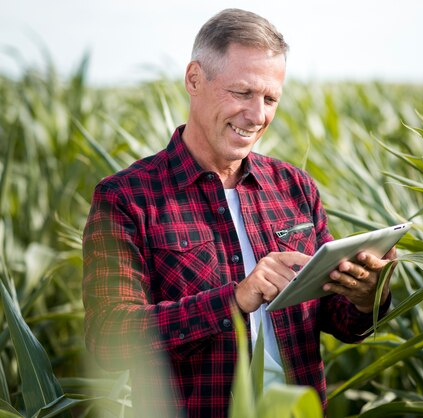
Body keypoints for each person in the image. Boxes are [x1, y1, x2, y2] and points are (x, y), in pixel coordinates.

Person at [82, 8, 394, 417]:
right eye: (242, 93)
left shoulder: (294, 187)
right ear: (194, 79)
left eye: (270, 99)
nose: (257, 115)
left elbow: (340, 323)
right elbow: (109, 338)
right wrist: (235, 299)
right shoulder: (127, 198)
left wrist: (368, 296)